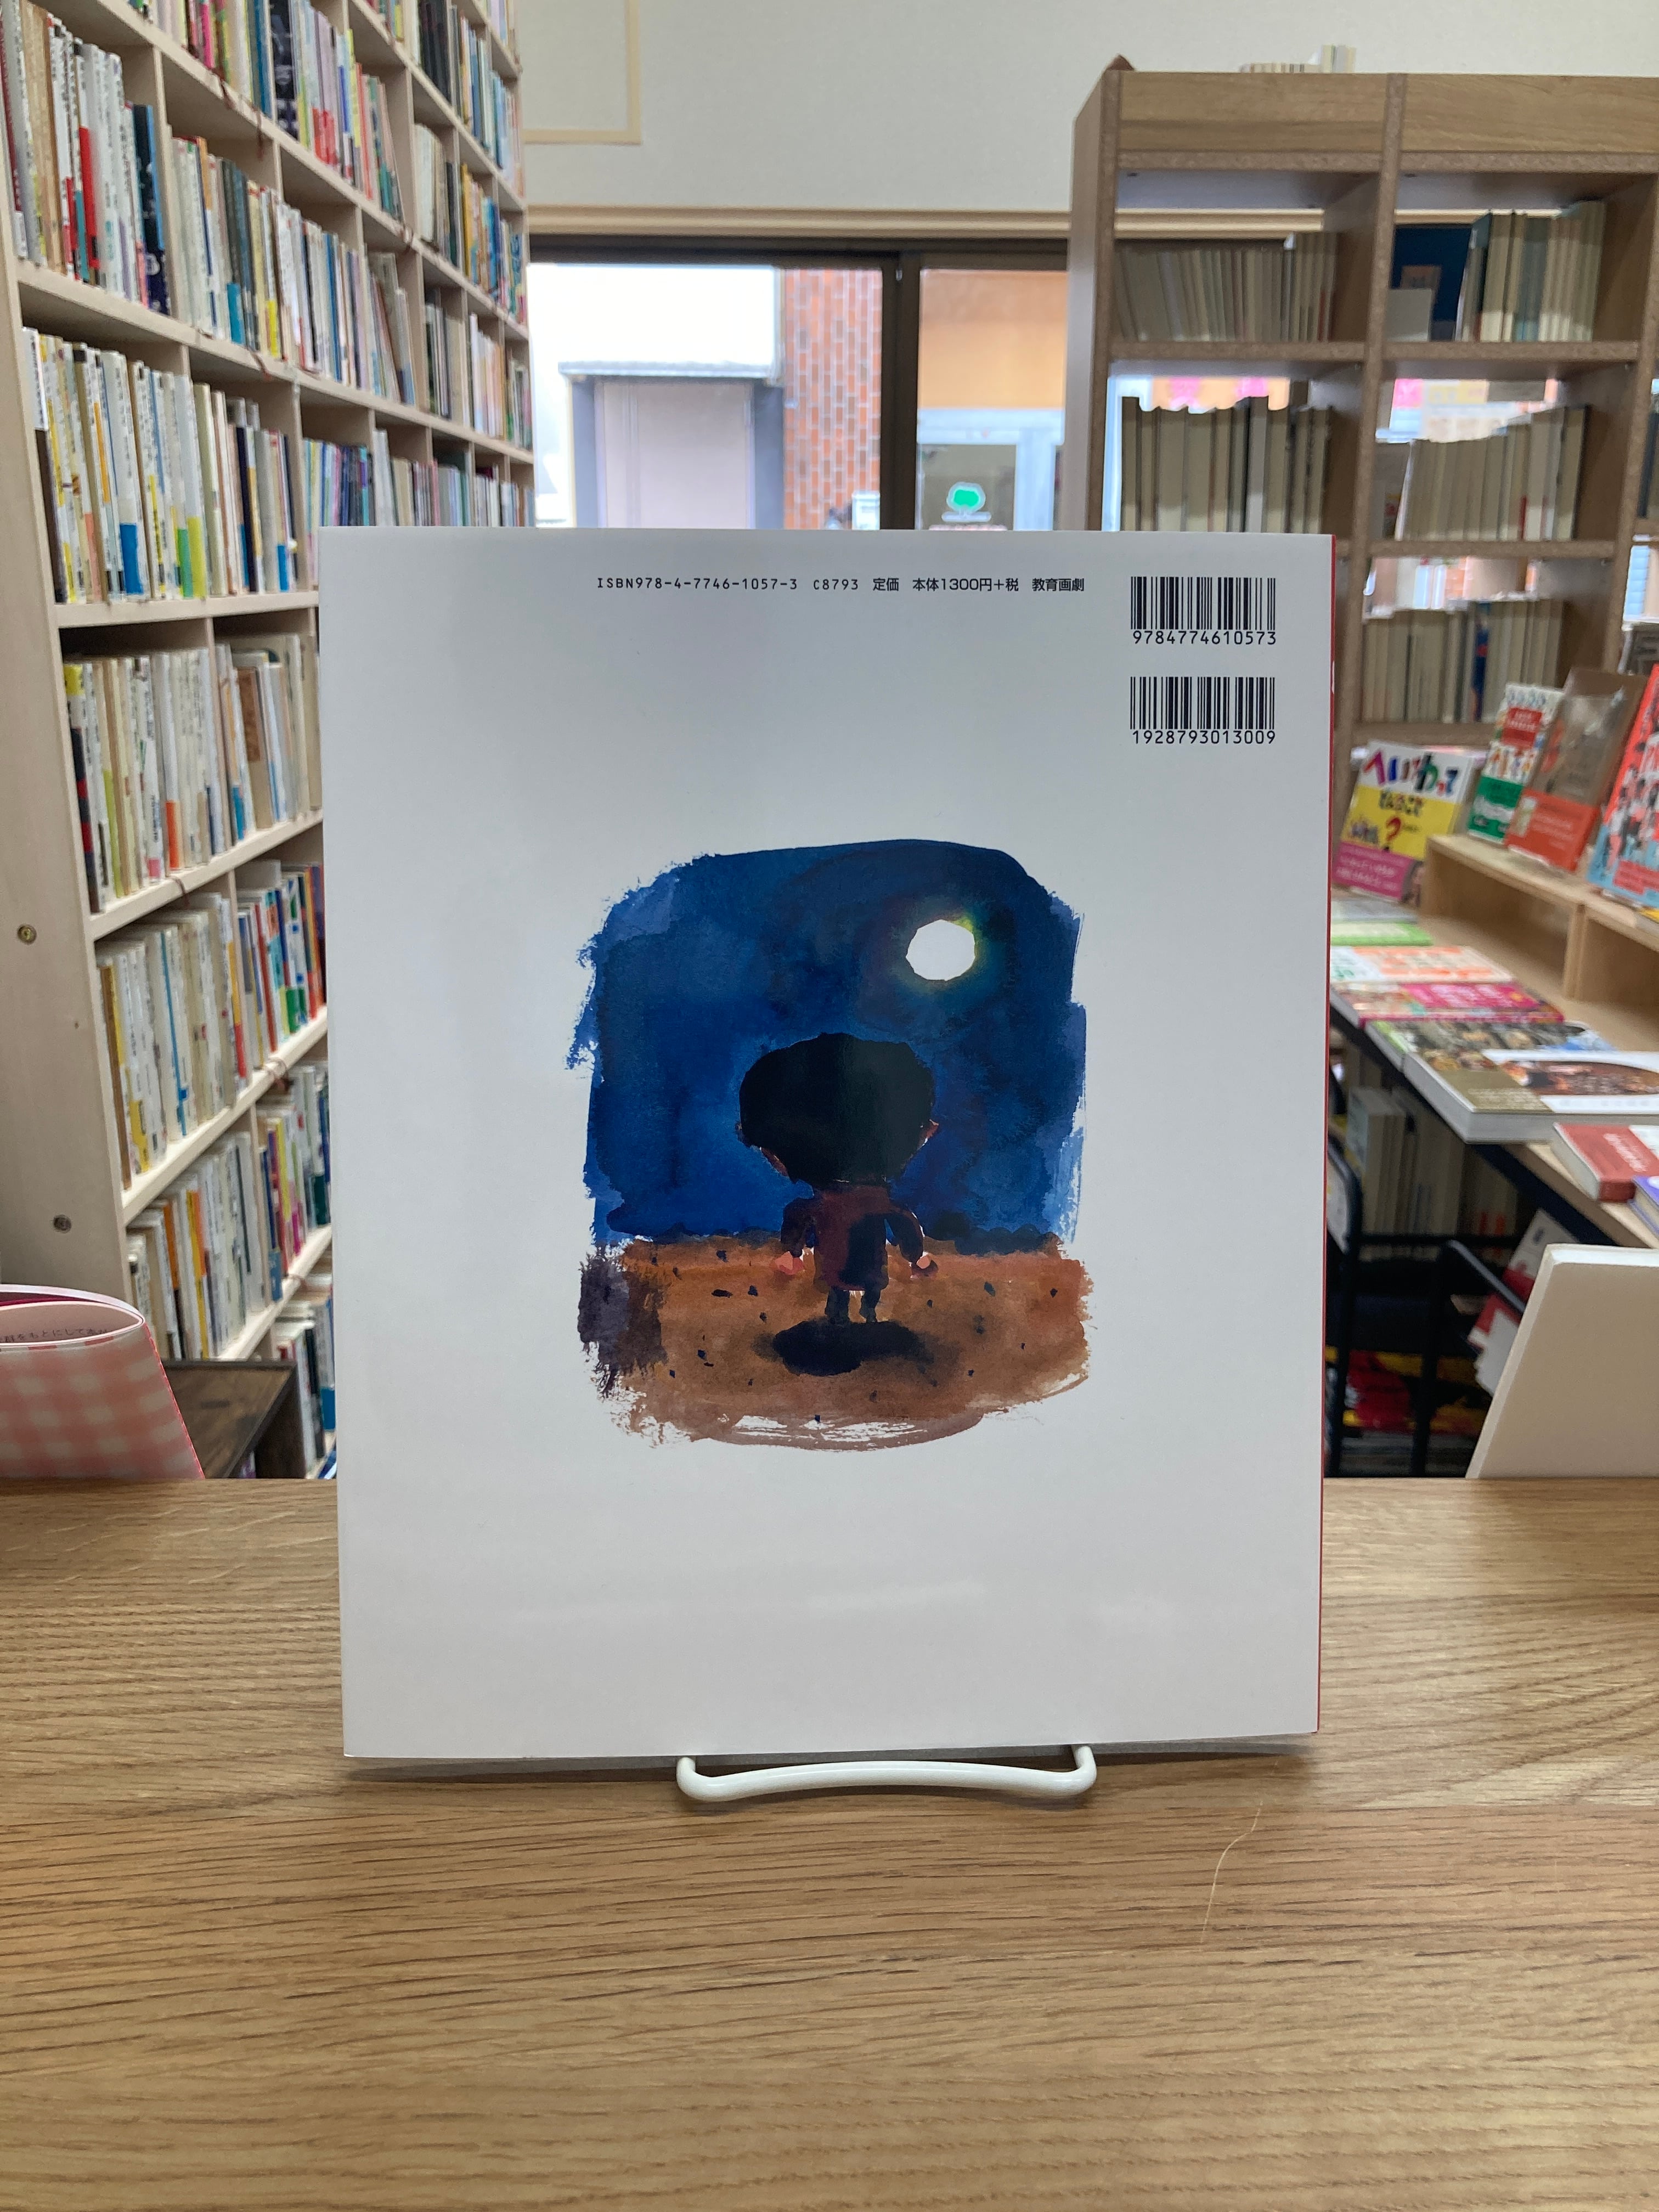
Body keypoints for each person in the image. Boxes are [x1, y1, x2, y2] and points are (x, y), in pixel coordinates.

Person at [738, 1032, 940, 1324]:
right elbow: (903, 1220)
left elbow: (798, 1214)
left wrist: (793, 1253)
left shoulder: (824, 1204)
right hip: (869, 1269)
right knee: (861, 1292)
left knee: (840, 1292)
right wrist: (916, 1256)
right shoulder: (876, 1202)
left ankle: (846, 1316)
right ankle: (865, 1315)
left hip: (837, 1268)